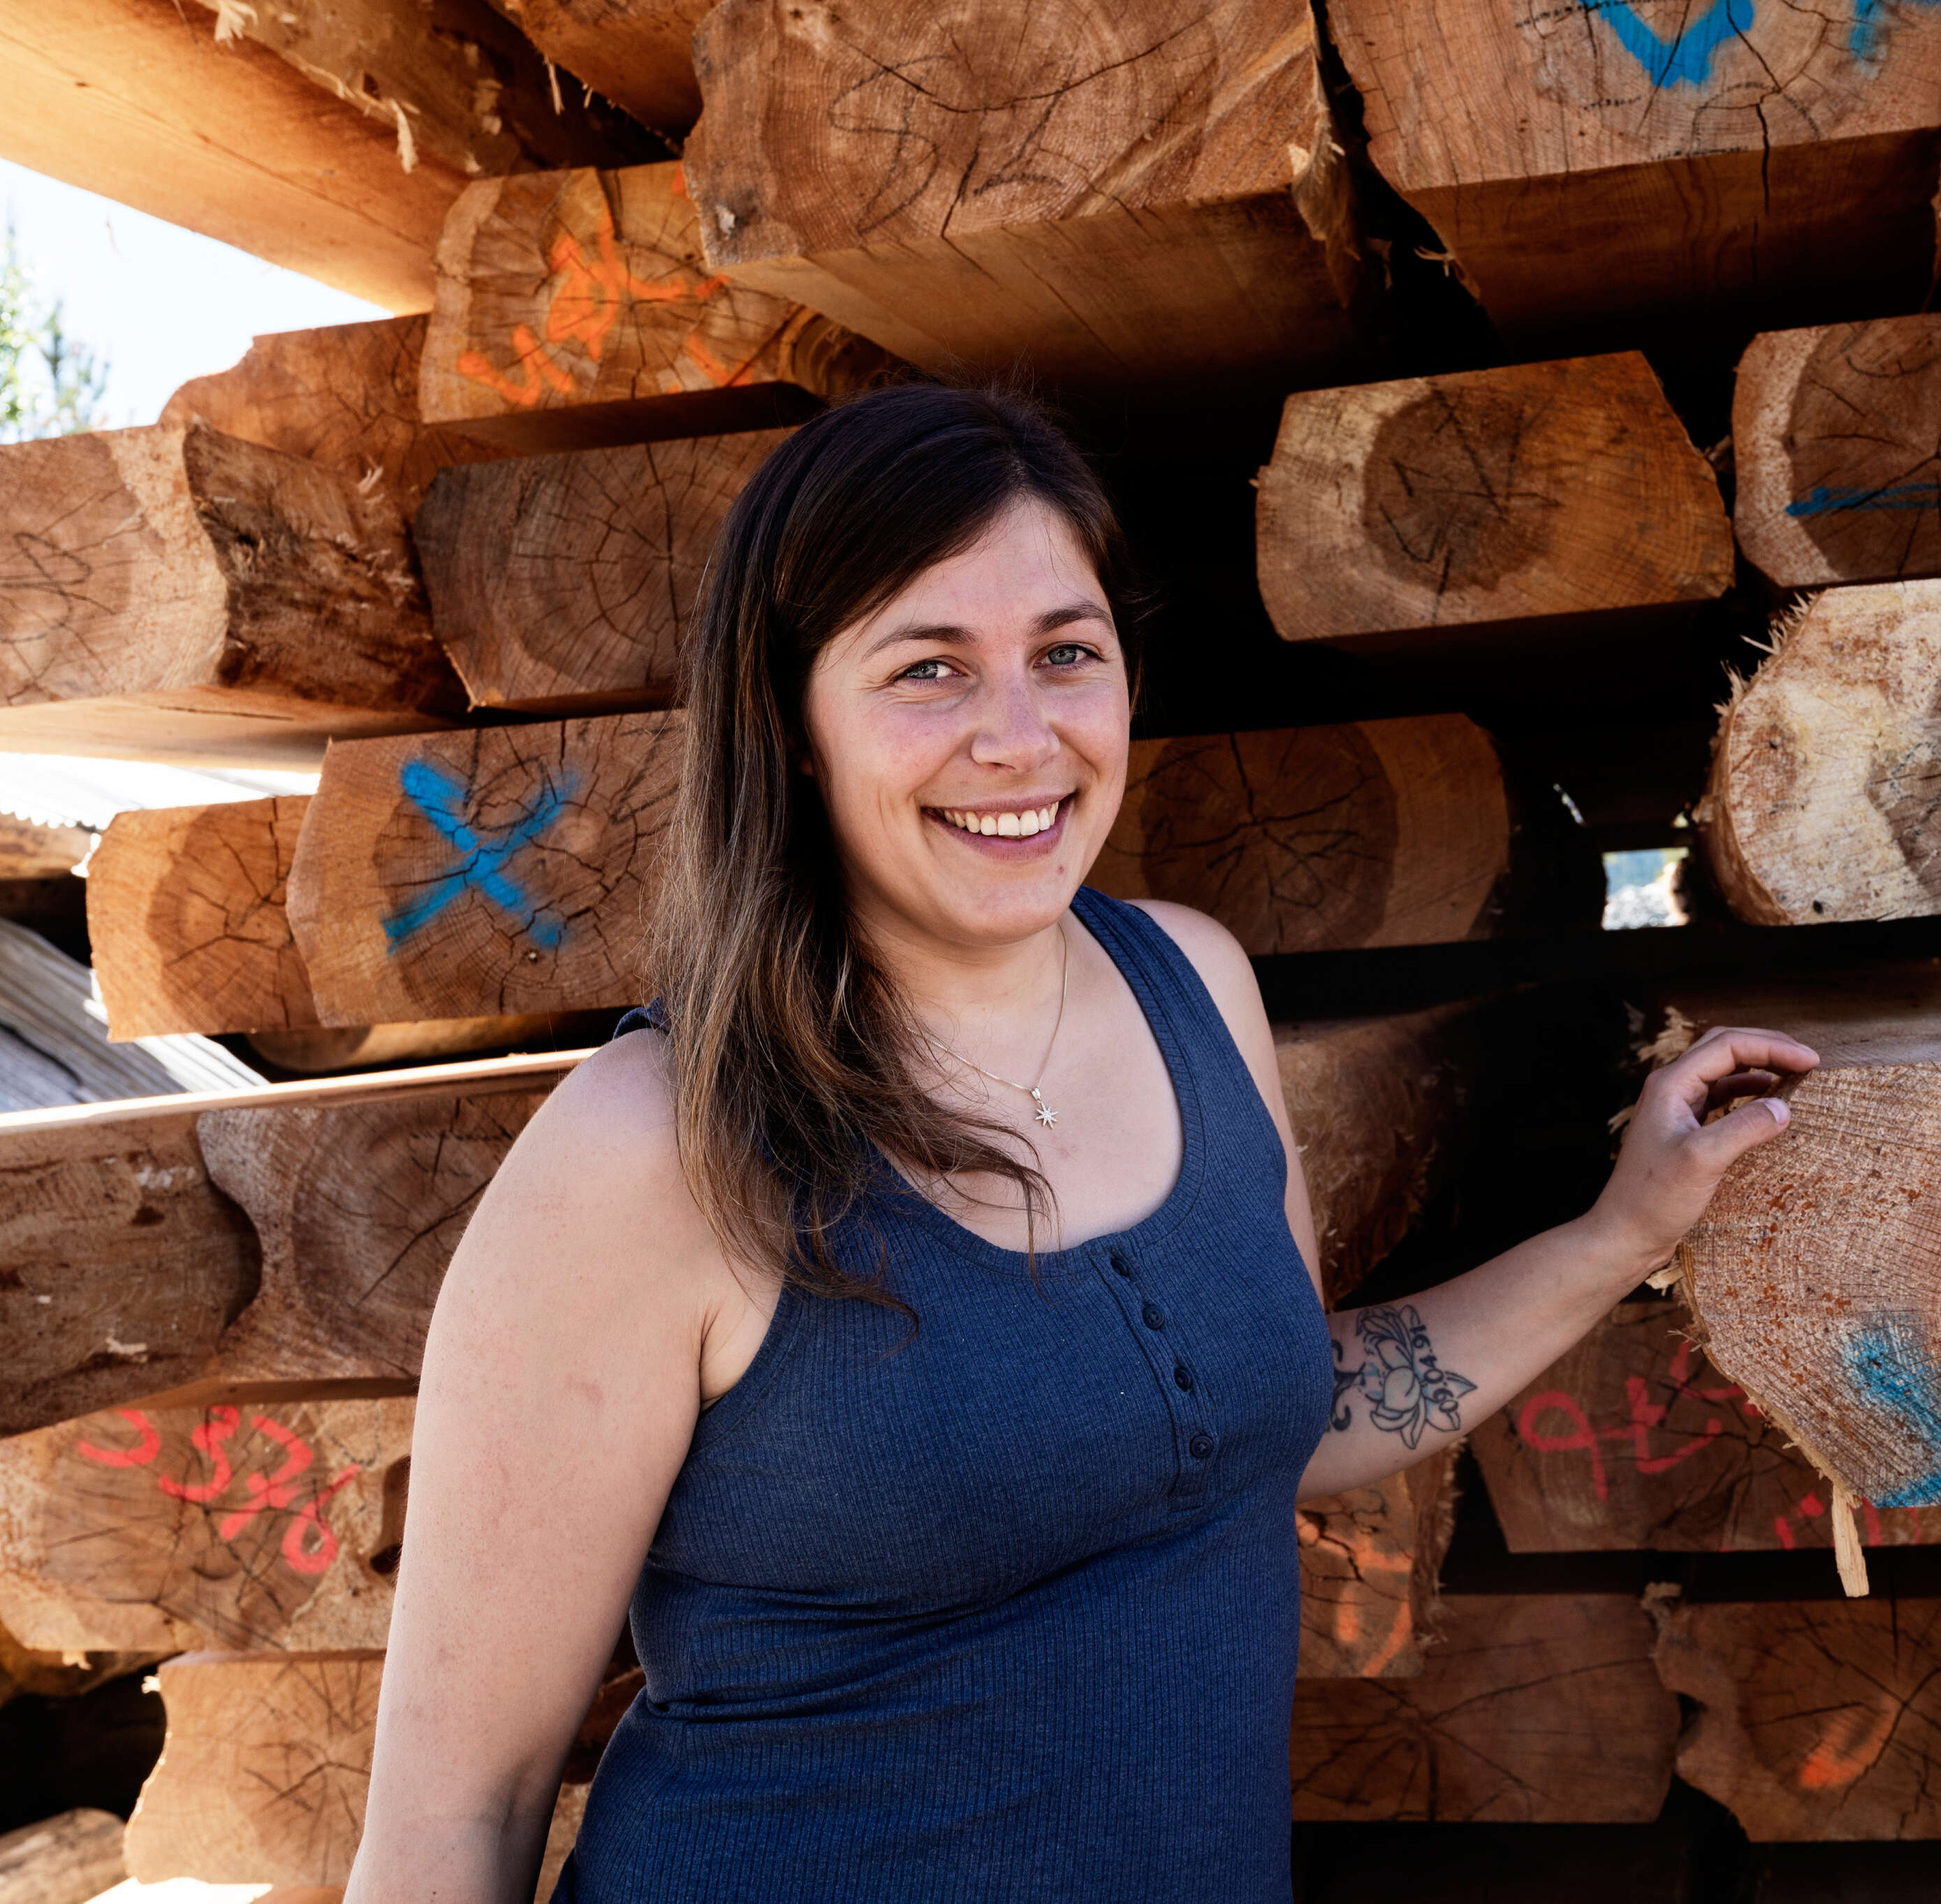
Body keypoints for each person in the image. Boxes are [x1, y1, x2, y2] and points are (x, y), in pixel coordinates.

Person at [344, 385, 1815, 1903]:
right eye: (928, 669)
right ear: (790, 724)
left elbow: (1273, 1409)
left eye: (1065, 653)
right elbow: (455, 1818)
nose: (1019, 736)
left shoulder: (1197, 990)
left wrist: (1619, 1233)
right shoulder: (653, 1144)